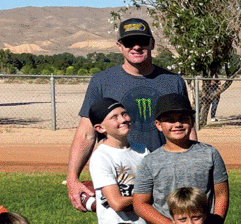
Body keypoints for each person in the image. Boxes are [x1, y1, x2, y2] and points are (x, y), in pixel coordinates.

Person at [68, 17, 191, 211]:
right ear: (119, 46)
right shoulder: (102, 81)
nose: (136, 47)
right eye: (128, 42)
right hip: (122, 177)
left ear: (152, 43)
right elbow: (86, 133)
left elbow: (187, 131)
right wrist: (73, 179)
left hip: (168, 174)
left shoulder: (173, 82)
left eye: (142, 41)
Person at [132, 93, 230, 224]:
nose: (177, 124)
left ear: (191, 121)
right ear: (158, 125)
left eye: (183, 119)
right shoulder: (150, 161)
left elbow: (221, 195)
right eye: (170, 121)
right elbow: (140, 203)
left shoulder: (210, 154)